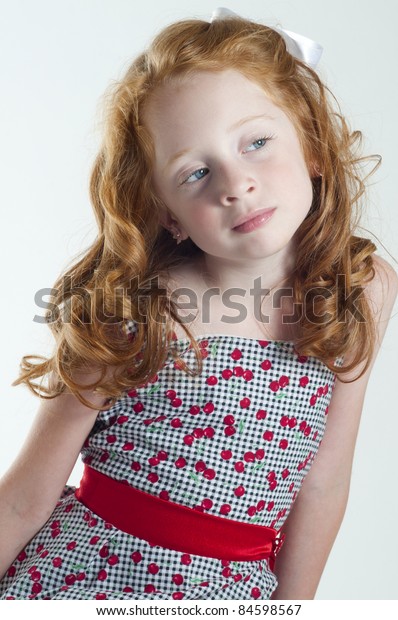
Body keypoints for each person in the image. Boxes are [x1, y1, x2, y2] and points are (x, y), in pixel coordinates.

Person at [0, 7, 396, 601]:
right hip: (88, 582)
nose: (235, 184)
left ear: (312, 144)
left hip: (236, 592)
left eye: (257, 142)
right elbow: (25, 497)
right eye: (195, 173)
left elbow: (324, 483)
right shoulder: (137, 309)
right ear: (167, 216)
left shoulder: (363, 287)